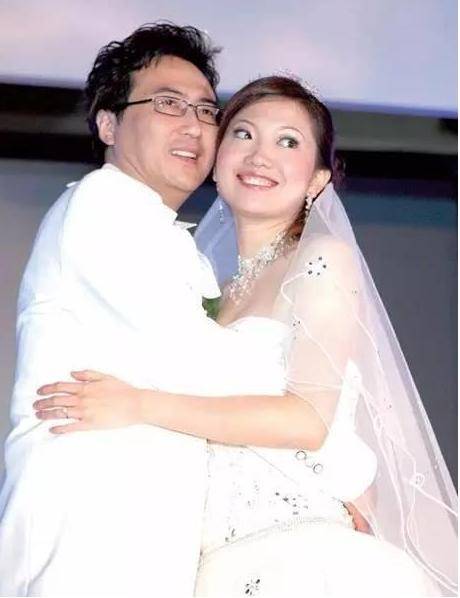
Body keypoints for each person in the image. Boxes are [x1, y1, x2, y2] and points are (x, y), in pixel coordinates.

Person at [35, 76, 457, 596]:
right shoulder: (203, 282)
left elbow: (307, 420)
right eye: (243, 134)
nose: (260, 156)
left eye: (288, 142)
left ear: (318, 179)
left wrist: (139, 404)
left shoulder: (321, 260)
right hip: (210, 562)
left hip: (298, 557)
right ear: (216, 158)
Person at [0, 23, 283, 597]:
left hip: (142, 524)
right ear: (108, 124)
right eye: (168, 104)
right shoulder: (102, 206)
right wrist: (312, 401)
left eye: (206, 111)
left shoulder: (165, 232)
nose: (194, 126)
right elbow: (199, 366)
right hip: (90, 522)